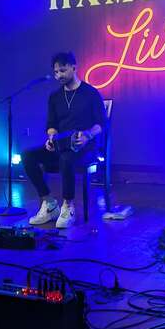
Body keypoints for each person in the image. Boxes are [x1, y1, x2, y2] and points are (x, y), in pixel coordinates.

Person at [22, 52, 107, 228]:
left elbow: (101, 124)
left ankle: (68, 206)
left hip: (85, 148)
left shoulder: (91, 93)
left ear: (74, 68)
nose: (58, 75)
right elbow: (51, 125)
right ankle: (49, 203)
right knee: (28, 155)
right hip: (61, 145)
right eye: (56, 72)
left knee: (66, 158)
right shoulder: (54, 97)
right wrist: (51, 137)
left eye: (62, 70)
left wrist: (88, 135)